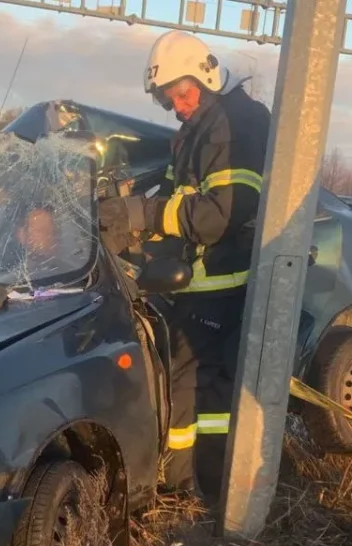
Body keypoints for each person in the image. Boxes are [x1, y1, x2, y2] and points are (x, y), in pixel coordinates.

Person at [97, 30, 271, 503]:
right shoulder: (199, 126)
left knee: (195, 386)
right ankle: (189, 482)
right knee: (190, 384)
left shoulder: (235, 124)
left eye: (182, 94)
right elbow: (179, 201)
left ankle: (193, 487)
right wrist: (135, 231)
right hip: (199, 280)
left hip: (224, 283)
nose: (177, 106)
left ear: (207, 76)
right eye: (167, 99)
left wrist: (144, 215)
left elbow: (219, 215)